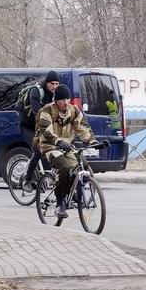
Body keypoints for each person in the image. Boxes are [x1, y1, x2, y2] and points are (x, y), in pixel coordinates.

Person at [34, 84, 98, 218]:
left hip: (68, 146)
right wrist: (58, 142)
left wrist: (92, 141)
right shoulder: (47, 111)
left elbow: (82, 126)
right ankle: (60, 203)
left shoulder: (73, 110)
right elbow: (46, 131)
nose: (65, 102)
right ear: (56, 100)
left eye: (67, 99)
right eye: (62, 100)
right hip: (50, 146)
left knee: (83, 166)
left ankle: (72, 192)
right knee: (64, 168)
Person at [18, 71, 60, 191]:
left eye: (57, 84)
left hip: (42, 125)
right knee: (38, 150)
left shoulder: (55, 94)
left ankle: (45, 177)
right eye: (52, 83)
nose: (55, 86)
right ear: (47, 83)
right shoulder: (36, 92)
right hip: (28, 126)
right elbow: (38, 115)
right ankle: (27, 179)